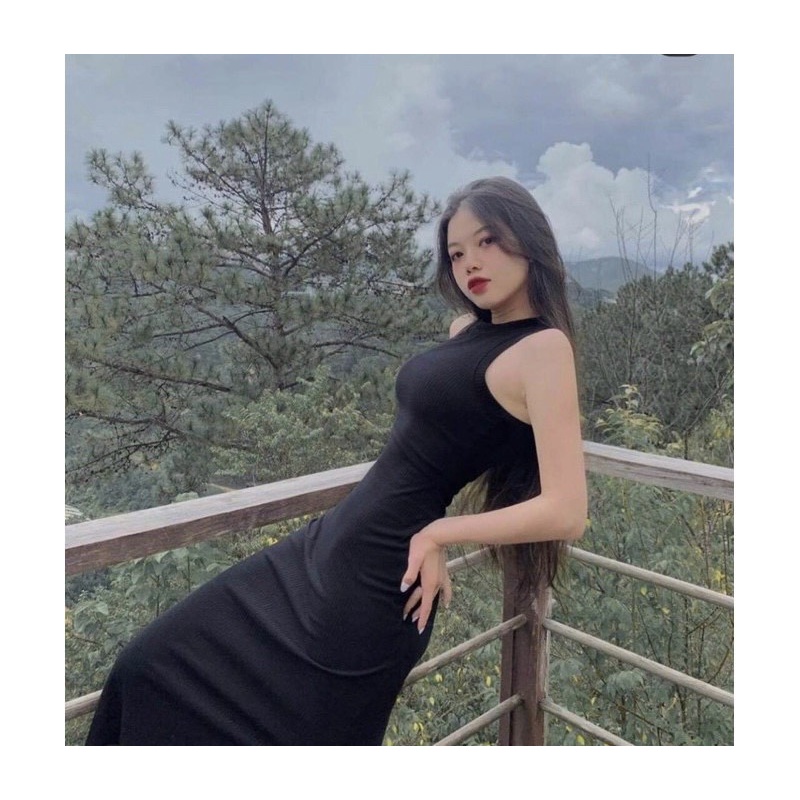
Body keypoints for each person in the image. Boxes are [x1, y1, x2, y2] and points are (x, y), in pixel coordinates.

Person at [85, 176, 587, 746]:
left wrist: (440, 533)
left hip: (376, 581)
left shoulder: (543, 349)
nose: (469, 262)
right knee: (149, 664)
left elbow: (566, 510)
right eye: (456, 253)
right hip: (328, 545)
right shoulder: (467, 329)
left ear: (527, 238)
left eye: (487, 241)